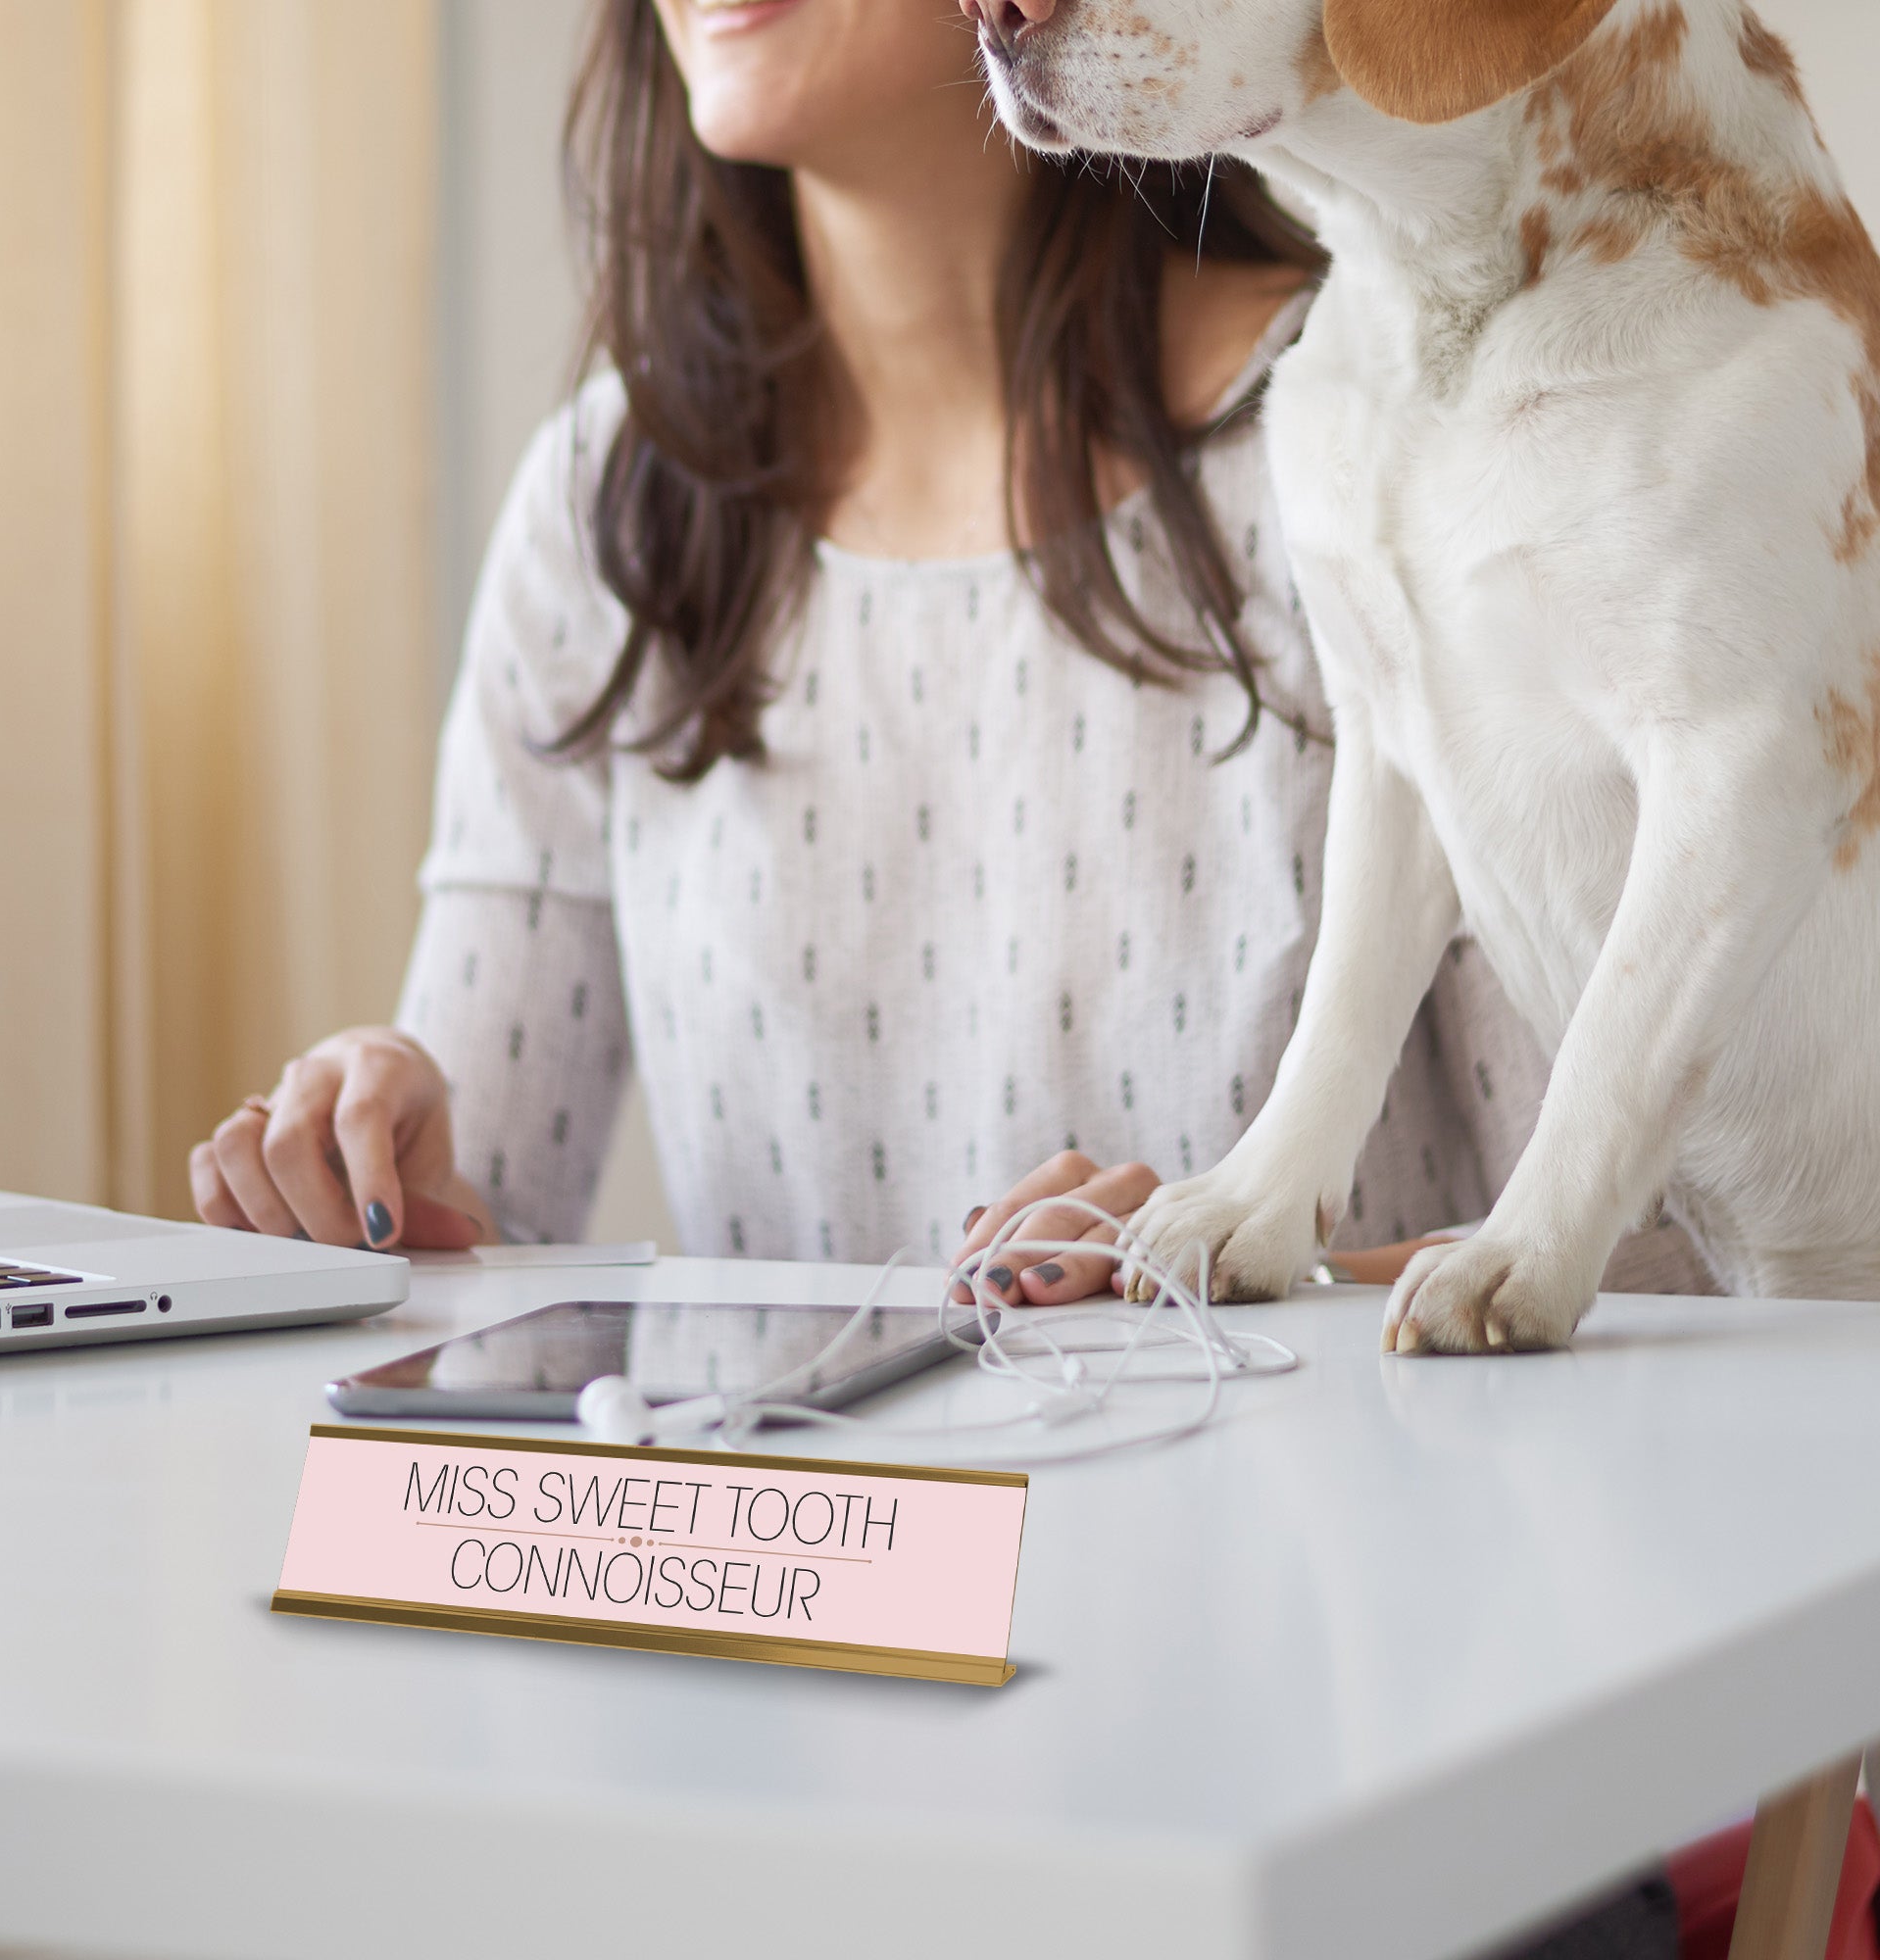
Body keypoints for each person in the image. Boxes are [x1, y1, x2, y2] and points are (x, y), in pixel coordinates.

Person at [189, 0, 1706, 1307]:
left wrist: (1236, 1275)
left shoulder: (1391, 453)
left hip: (1355, 1611)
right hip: (797, 1628)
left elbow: (1663, 1252)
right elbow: (475, 1220)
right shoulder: (612, 507)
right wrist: (373, 1166)